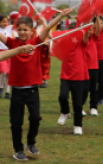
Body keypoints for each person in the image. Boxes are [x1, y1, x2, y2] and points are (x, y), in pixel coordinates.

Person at [0, 9, 71, 161]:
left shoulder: (37, 42)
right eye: (19, 29)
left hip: (32, 90)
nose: (22, 32)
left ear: (32, 30)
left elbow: (47, 27)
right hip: (17, 91)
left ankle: (30, 143)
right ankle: (18, 150)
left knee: (36, 118)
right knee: (16, 123)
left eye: (25, 29)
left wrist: (60, 16)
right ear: (16, 30)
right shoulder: (13, 43)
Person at [57, 21, 89, 135]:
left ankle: (78, 125)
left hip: (78, 77)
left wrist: (90, 19)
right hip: (65, 75)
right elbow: (53, 37)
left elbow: (87, 33)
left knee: (78, 104)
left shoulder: (81, 42)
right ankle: (65, 112)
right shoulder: (64, 42)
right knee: (62, 96)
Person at [82, 16, 102, 116]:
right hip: (84, 67)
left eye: (92, 29)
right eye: (89, 30)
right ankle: (80, 106)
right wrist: (90, 17)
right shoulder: (83, 39)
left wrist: (97, 15)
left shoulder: (94, 37)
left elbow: (98, 28)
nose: (91, 31)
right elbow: (87, 27)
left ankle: (93, 107)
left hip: (94, 66)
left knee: (93, 88)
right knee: (84, 89)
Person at [33, 14, 52, 88]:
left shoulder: (46, 27)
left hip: (44, 47)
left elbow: (50, 36)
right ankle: (37, 80)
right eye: (37, 19)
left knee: (45, 64)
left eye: (40, 19)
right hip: (36, 48)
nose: (38, 21)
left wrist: (45, 23)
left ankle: (45, 81)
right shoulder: (34, 28)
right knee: (36, 64)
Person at [0, 14, 12, 98]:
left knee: (9, 73)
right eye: (3, 22)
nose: (5, 23)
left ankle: (7, 92)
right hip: (1, 53)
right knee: (3, 72)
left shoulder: (10, 28)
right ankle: (1, 88)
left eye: (6, 21)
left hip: (10, 52)